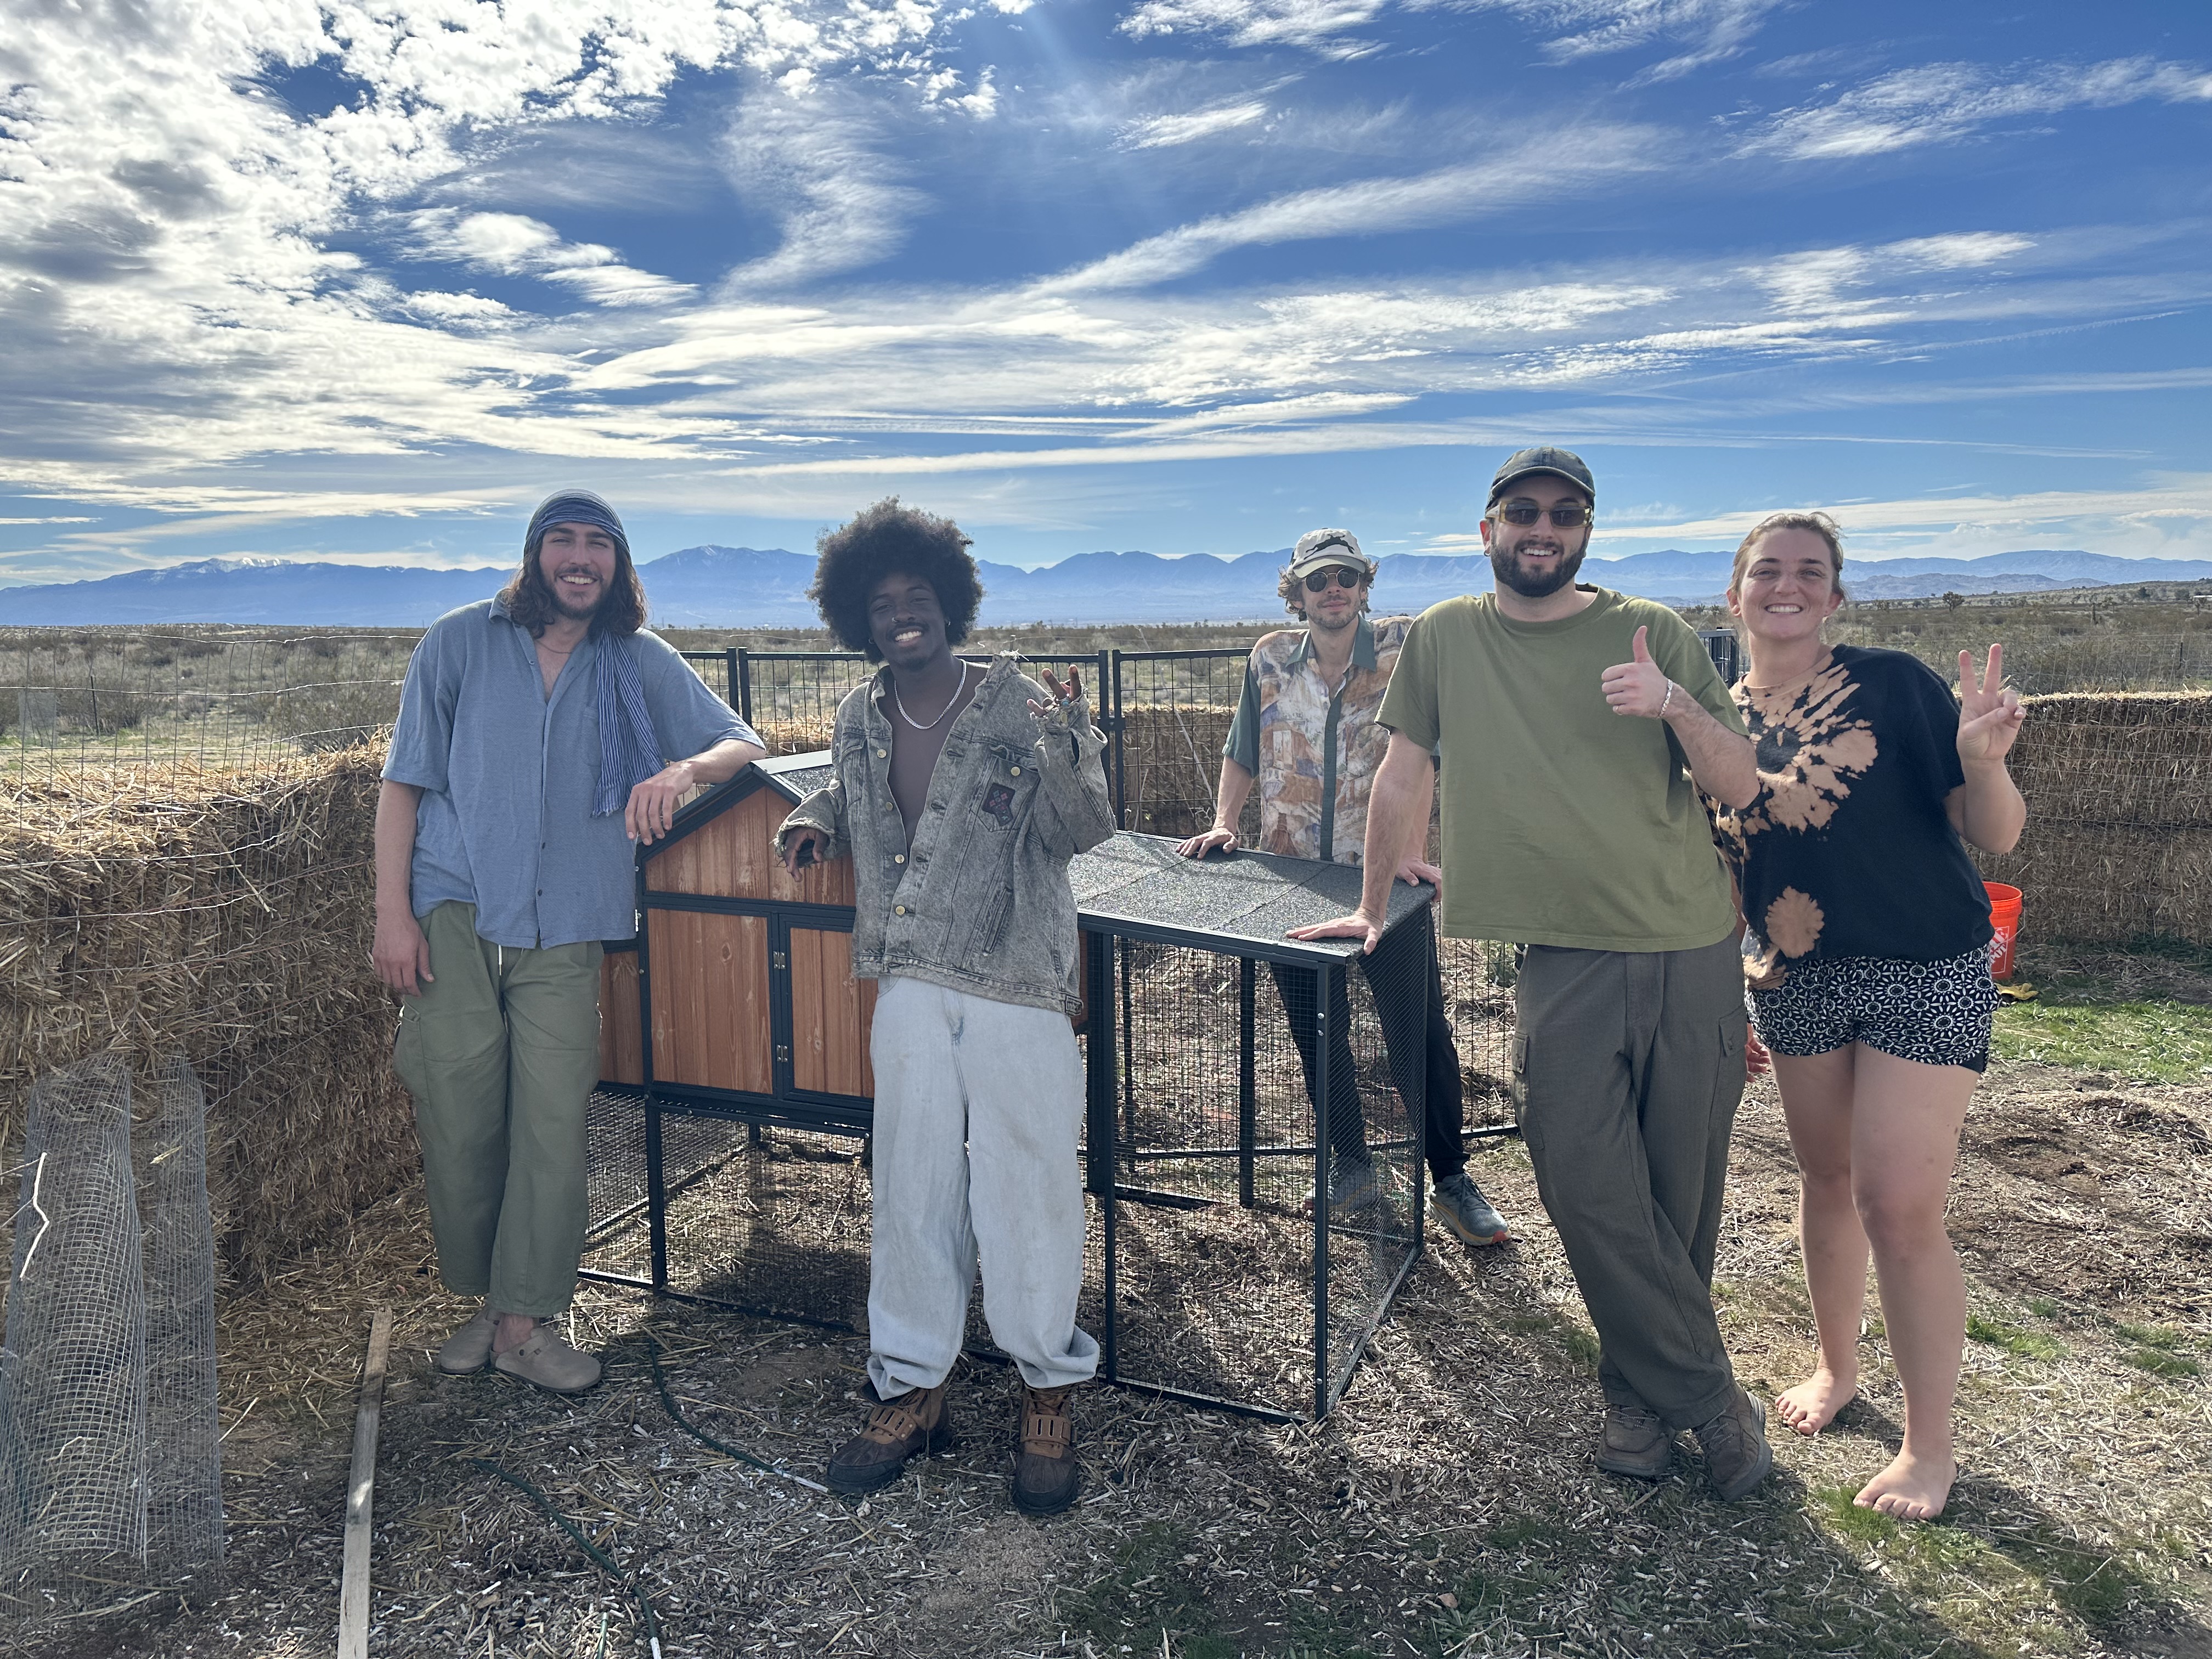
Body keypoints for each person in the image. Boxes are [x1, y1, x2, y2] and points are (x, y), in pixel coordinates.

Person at [1291, 446, 1776, 1500]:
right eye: (1523, 512)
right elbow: (1402, 770)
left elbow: (1741, 787)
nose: (1542, 528)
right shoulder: (1447, 639)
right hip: (1561, 957)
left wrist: (1675, 706)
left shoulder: (1656, 632)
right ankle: (1712, 1401)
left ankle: (1637, 1404)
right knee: (1583, 1181)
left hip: (1687, 945)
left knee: (1677, 1197)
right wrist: (1375, 906)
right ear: (1488, 529)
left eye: (1565, 513)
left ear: (1588, 531)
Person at [373, 490, 764, 1392]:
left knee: (552, 1125)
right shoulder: (459, 642)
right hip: (454, 913)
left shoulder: (636, 660)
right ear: (535, 554)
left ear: (619, 565)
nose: (580, 558)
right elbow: (404, 784)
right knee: (462, 1119)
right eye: (564, 541)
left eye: (599, 544)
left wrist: (680, 766)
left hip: (571, 922)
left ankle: (525, 1321)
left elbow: (740, 743)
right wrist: (392, 917)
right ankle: (490, 1298)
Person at [775, 499, 1116, 1516]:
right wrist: (816, 816)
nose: (899, 615)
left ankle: (1045, 1385)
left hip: (1017, 980)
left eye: (915, 597)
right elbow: (856, 789)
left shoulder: (1019, 703)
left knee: (1030, 1186)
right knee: (912, 1187)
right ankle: (912, 1385)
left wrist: (1072, 740)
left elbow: (1085, 826)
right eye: (879, 605)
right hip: (909, 980)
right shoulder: (857, 715)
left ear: (949, 601)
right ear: (859, 620)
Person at [1713, 512, 2023, 1522]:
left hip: (1926, 962)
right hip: (1798, 975)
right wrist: (1734, 978)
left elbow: (1996, 837)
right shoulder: (1717, 720)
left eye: (1811, 572)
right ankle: (1838, 1370)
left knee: (1896, 1203)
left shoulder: (1894, 682)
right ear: (1736, 592)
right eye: (1769, 571)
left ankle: (1928, 1450)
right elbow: (1726, 870)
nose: (1787, 586)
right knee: (1828, 1179)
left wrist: (1982, 762)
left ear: (1835, 597)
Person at [1175, 528, 1511, 1248]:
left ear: (1365, 585)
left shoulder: (1402, 652)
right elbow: (1242, 745)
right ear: (1296, 593)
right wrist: (1226, 822)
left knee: (1419, 1037)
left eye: (1347, 577)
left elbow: (1425, 756)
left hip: (1382, 880)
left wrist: (1414, 850)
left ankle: (1450, 1180)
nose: (1334, 590)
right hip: (1290, 876)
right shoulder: (1268, 659)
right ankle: (1352, 1167)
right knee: (1317, 1033)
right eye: (1320, 579)